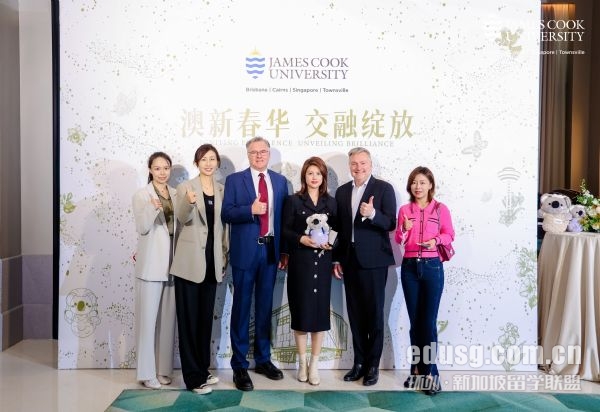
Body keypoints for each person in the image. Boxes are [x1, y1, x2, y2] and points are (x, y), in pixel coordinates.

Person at [221, 136, 289, 391]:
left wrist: (284, 251)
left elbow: (284, 219)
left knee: (264, 307)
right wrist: (249, 210)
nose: (259, 155)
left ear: (269, 154)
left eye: (263, 151)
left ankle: (263, 359)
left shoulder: (280, 181)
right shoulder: (234, 180)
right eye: (254, 152)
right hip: (245, 253)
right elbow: (226, 212)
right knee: (241, 308)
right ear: (248, 155)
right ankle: (239, 365)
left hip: (270, 251)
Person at [332, 147, 397, 386]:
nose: (358, 167)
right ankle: (358, 363)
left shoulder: (384, 188)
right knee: (355, 314)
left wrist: (372, 214)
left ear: (370, 164)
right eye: (354, 164)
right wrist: (336, 258)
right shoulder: (342, 191)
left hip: (374, 262)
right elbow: (339, 228)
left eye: (363, 163)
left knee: (374, 314)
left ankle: (372, 365)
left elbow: (391, 223)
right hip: (349, 261)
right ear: (349, 166)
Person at [170, 144, 229, 395]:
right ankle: (193, 379)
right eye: (204, 159)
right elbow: (180, 218)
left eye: (212, 159)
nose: (208, 163)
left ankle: (203, 369)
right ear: (197, 162)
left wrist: (224, 257)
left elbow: (223, 227)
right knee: (189, 322)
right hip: (189, 263)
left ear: (217, 163)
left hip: (212, 263)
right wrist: (188, 202)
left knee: (205, 320)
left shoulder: (222, 189)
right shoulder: (185, 187)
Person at [395, 166, 455, 396]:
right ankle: (417, 369)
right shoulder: (404, 210)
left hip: (432, 267)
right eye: (414, 182)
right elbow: (399, 239)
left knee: (428, 323)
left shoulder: (440, 209)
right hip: (410, 267)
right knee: (415, 322)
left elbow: (450, 234)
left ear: (430, 185)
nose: (417, 187)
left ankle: (430, 373)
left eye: (422, 182)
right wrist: (404, 229)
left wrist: (436, 240)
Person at [280, 157, 337, 385]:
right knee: (301, 312)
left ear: (323, 177)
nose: (314, 177)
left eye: (318, 174)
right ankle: (302, 362)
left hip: (322, 263)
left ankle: (314, 365)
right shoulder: (293, 201)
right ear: (304, 176)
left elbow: (338, 230)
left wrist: (331, 243)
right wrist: (300, 239)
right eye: (310, 173)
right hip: (300, 263)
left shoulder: (331, 203)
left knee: (320, 314)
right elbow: (284, 230)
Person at [131, 151, 177, 390]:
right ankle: (146, 373)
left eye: (166, 168)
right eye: (157, 168)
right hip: (151, 265)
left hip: (173, 264)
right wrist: (152, 209)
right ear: (150, 170)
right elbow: (142, 227)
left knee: (168, 321)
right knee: (147, 322)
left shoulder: (177, 193)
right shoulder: (142, 195)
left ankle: (163, 370)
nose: (162, 172)